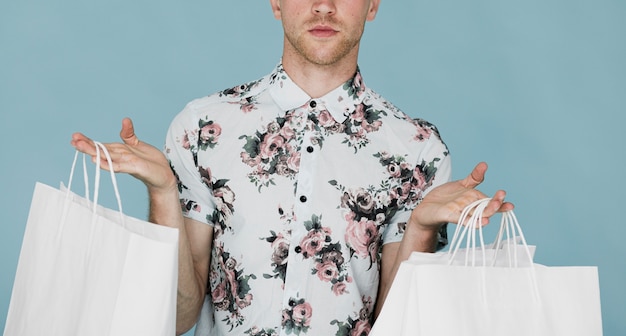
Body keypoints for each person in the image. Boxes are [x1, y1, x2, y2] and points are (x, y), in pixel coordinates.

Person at [71, 1, 513, 335]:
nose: (324, 6)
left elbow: (399, 325)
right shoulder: (203, 126)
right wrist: (164, 191)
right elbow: (179, 315)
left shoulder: (419, 151)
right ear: (276, 1)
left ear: (373, 5)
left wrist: (419, 225)